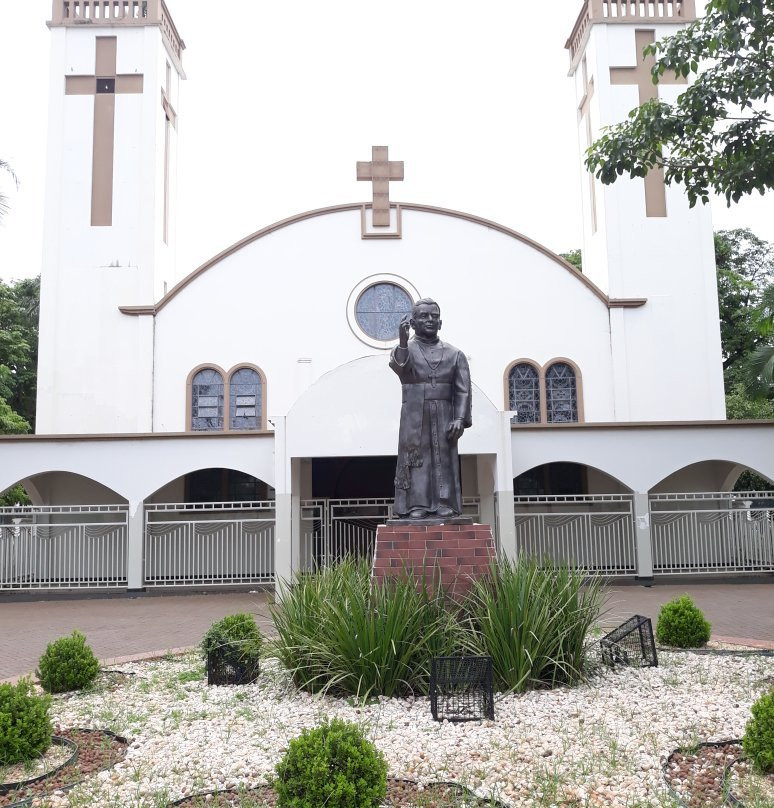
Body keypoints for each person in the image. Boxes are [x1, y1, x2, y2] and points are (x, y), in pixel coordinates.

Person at [390, 298, 472, 519]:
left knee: (443, 458)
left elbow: (463, 390)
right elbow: (401, 370)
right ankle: (417, 504)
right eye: (424, 316)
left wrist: (460, 418)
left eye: (434, 316)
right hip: (415, 412)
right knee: (418, 459)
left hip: (445, 412)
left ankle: (444, 503)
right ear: (413, 323)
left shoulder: (455, 354)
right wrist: (403, 341)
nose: (429, 320)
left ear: (441, 322)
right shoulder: (406, 349)